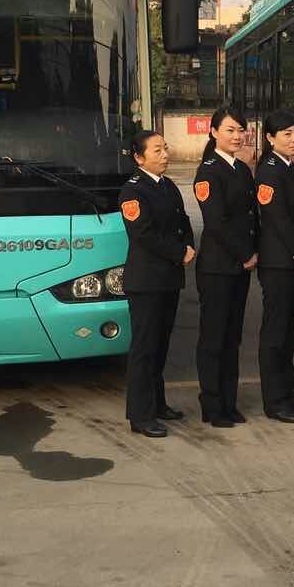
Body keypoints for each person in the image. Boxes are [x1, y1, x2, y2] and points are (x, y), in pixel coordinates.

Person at [118, 131, 197, 437]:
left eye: (165, 148)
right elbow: (143, 234)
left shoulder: (168, 185)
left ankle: (157, 403)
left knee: (161, 345)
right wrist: (179, 252)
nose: (165, 155)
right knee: (144, 348)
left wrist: (188, 245)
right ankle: (140, 415)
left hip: (168, 280)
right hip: (146, 282)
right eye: (157, 150)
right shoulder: (132, 191)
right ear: (139, 157)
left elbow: (183, 221)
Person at [192, 106, 257, 428]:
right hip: (217, 267)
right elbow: (216, 222)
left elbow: (250, 217)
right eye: (230, 130)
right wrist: (246, 254)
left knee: (233, 338)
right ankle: (212, 404)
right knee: (214, 338)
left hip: (239, 268)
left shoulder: (242, 169)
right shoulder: (208, 172)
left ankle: (229, 403)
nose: (236, 136)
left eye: (240, 130)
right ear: (214, 132)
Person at [254, 109, 294, 425]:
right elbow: (279, 220)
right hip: (278, 263)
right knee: (275, 335)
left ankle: (288, 395)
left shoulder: (289, 167)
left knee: (288, 334)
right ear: (270, 138)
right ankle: (275, 401)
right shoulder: (269, 171)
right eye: (287, 134)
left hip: (290, 262)